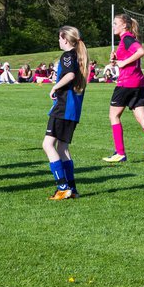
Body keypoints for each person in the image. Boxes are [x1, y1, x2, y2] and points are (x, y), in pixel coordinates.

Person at [104, 13, 144, 165]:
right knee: (141, 118)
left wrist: (123, 62)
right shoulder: (126, 40)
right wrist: (116, 61)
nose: (113, 26)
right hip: (138, 83)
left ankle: (120, 153)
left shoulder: (127, 38)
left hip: (126, 84)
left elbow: (141, 52)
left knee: (113, 116)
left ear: (124, 25)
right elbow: (129, 58)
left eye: (115, 23)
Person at [43, 26, 90, 201]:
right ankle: (72, 189)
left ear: (64, 38)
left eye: (59, 37)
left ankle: (62, 187)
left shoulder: (68, 55)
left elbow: (69, 76)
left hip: (63, 107)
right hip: (73, 109)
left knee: (48, 145)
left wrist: (55, 87)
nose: (58, 40)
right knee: (62, 148)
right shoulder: (78, 56)